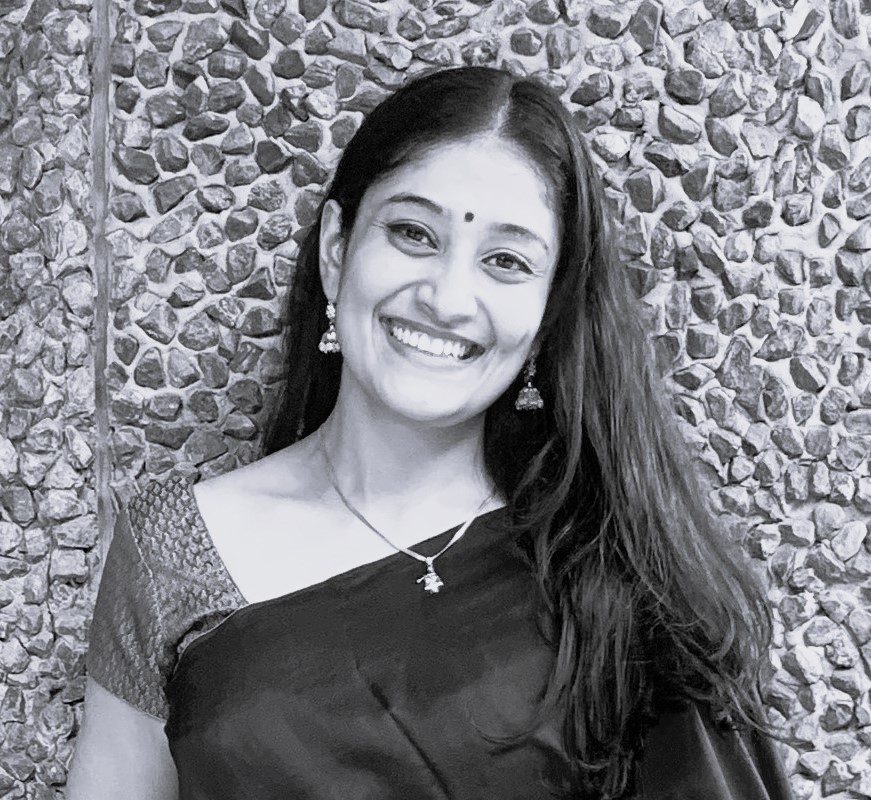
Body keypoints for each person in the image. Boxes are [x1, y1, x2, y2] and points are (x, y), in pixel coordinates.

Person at [68, 65, 793, 799]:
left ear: (547, 312)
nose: (447, 298)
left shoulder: (617, 573)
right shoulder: (171, 552)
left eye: (506, 262)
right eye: (413, 234)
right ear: (336, 250)